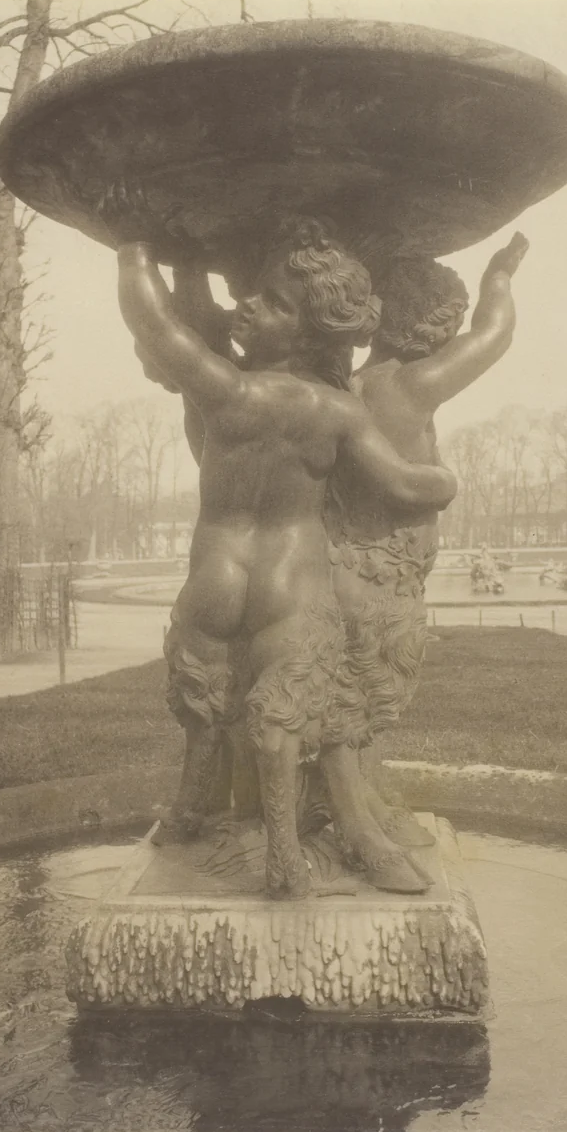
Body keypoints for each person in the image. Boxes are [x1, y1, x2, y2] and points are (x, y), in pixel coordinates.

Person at [113, 213, 458, 898]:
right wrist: (444, 479)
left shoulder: (224, 388)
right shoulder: (338, 410)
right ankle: (284, 863)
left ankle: (185, 817)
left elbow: (153, 324)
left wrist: (134, 250)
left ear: (302, 328)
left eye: (270, 302)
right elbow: (404, 483)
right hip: (291, 585)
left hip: (215, 576)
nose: (248, 305)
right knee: (283, 722)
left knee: (204, 702)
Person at [325, 235, 528, 844]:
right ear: (433, 327)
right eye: (450, 322)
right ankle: (355, 814)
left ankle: (354, 800)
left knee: (352, 686)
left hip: (345, 562)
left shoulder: (349, 387)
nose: (454, 335)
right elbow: (495, 337)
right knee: (375, 692)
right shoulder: (411, 385)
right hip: (386, 574)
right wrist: (499, 277)